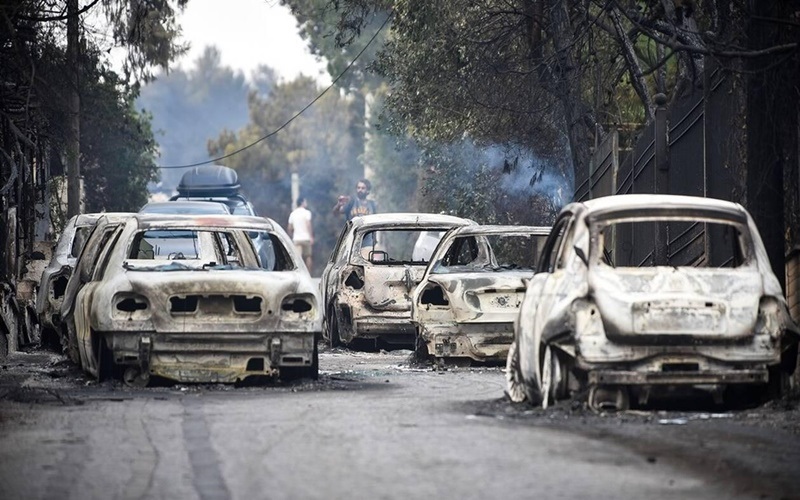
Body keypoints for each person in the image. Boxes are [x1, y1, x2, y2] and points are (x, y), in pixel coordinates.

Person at [287, 197, 314, 270]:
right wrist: (311, 236)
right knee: (308, 256)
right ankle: (308, 274)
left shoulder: (293, 214)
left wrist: (290, 237)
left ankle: (300, 273)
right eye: (305, 202)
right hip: (306, 238)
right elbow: (308, 224)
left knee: (298, 258)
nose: (306, 203)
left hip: (296, 239)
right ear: (302, 202)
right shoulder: (307, 212)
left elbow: (289, 228)